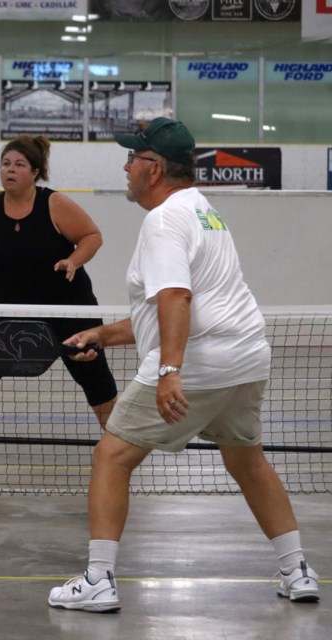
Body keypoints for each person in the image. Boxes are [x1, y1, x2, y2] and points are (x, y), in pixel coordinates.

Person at [48, 117, 320, 612]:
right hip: (246, 355)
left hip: (199, 361)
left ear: (154, 169)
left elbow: (177, 297)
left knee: (112, 456)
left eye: (133, 158)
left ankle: (98, 579)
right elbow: (166, 308)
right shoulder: (203, 212)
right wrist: (104, 335)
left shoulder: (162, 220)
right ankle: (297, 570)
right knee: (247, 460)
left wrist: (170, 371)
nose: (126, 166)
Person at [0, 135, 117, 455]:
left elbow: (91, 236)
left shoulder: (54, 204)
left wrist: (74, 260)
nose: (9, 170)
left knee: (90, 368)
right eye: (5, 164)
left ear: (36, 172)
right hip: (5, 303)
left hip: (66, 305)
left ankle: (116, 435)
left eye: (19, 165)